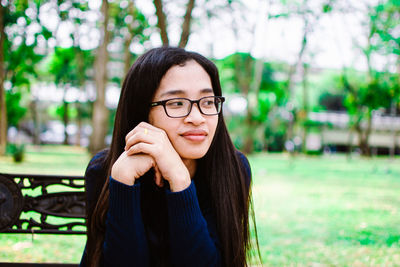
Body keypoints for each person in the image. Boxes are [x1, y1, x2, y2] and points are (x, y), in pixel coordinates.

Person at [80, 46, 259, 267]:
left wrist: (180, 179)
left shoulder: (232, 168)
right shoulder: (105, 170)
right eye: (176, 103)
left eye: (208, 102)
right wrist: (123, 182)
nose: (197, 117)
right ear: (142, 112)